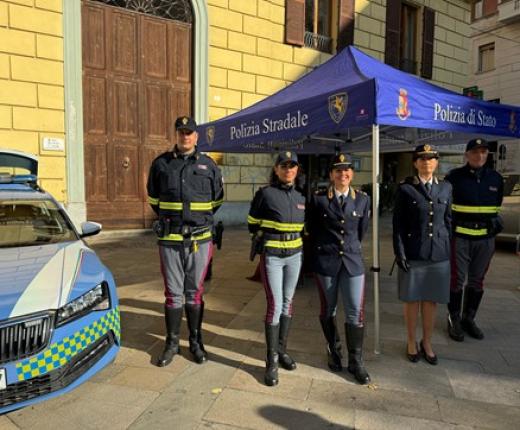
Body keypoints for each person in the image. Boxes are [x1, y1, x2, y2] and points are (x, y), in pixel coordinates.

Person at [147, 115, 224, 367]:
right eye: (181, 132)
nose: (185, 136)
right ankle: (171, 343)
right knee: (172, 293)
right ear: (176, 134)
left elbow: (217, 200)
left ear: (196, 136)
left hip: (199, 240)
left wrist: (198, 219)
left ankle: (195, 341)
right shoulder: (161, 164)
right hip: (170, 239)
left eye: (189, 132)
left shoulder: (209, 165)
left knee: (194, 292)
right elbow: (153, 198)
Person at [307, 153, 371, 385]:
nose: (343, 174)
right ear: (331, 174)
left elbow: (361, 231)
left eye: (347, 170)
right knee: (329, 309)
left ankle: (356, 360)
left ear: (351, 174)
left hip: (352, 262)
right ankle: (334, 350)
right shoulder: (319, 199)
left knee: (355, 310)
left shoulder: (363, 199)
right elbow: (312, 230)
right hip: (327, 262)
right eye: (338, 170)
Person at [248, 151, 305, 386]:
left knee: (288, 302)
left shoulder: (302, 196)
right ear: (276, 169)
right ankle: (270, 361)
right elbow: (252, 224)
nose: (288, 169)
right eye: (284, 165)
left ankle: (281, 351)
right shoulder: (265, 194)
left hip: (295, 256)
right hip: (272, 255)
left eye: (292, 166)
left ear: (297, 170)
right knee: (275, 305)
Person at [392, 145, 452, 365]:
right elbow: (397, 224)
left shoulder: (446, 188)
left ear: (436, 162)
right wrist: (400, 253)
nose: (427, 162)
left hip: (439, 253)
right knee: (411, 300)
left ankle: (427, 342)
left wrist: (448, 250)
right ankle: (410, 341)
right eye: (422, 158)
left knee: (431, 301)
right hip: (414, 252)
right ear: (415, 163)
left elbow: (448, 221)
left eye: (431, 158)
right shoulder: (406, 189)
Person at [445, 138, 504, 342]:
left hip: (485, 240)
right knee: (457, 280)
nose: (480, 156)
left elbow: (496, 206)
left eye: (484, 152)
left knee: (477, 280)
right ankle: (454, 318)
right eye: (475, 152)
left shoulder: (496, 179)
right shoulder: (454, 178)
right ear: (467, 155)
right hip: (460, 237)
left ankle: (469, 318)